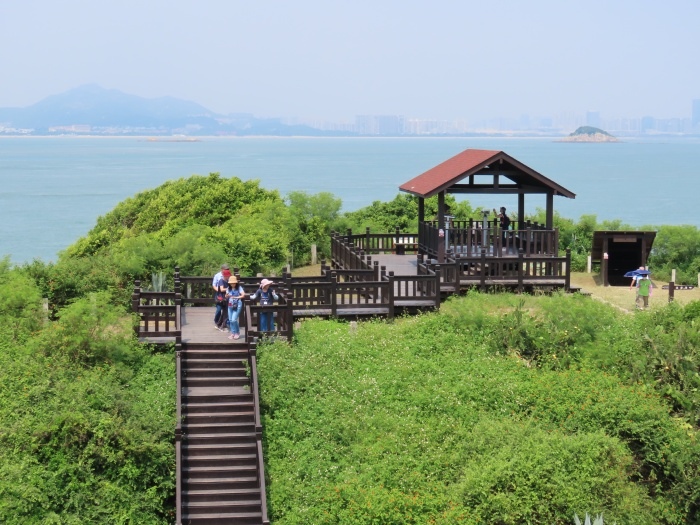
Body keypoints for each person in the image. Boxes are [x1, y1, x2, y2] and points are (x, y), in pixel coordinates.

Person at [225, 275, 246, 340]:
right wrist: (227, 295)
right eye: (231, 283)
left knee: (234, 319)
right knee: (231, 320)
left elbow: (243, 295)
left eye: (233, 283)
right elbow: (226, 296)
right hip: (230, 305)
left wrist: (236, 297)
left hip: (237, 304)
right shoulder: (228, 288)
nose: (232, 284)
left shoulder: (239, 288)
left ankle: (237, 332)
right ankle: (233, 333)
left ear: (236, 283)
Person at [212, 264, 231, 330]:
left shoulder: (229, 277)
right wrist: (218, 290)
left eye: (228, 269)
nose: (227, 270)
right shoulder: (217, 276)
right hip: (220, 295)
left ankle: (224, 324)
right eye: (226, 269)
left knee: (226, 311)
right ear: (222, 269)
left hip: (226, 296)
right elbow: (214, 285)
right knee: (219, 310)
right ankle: (217, 321)